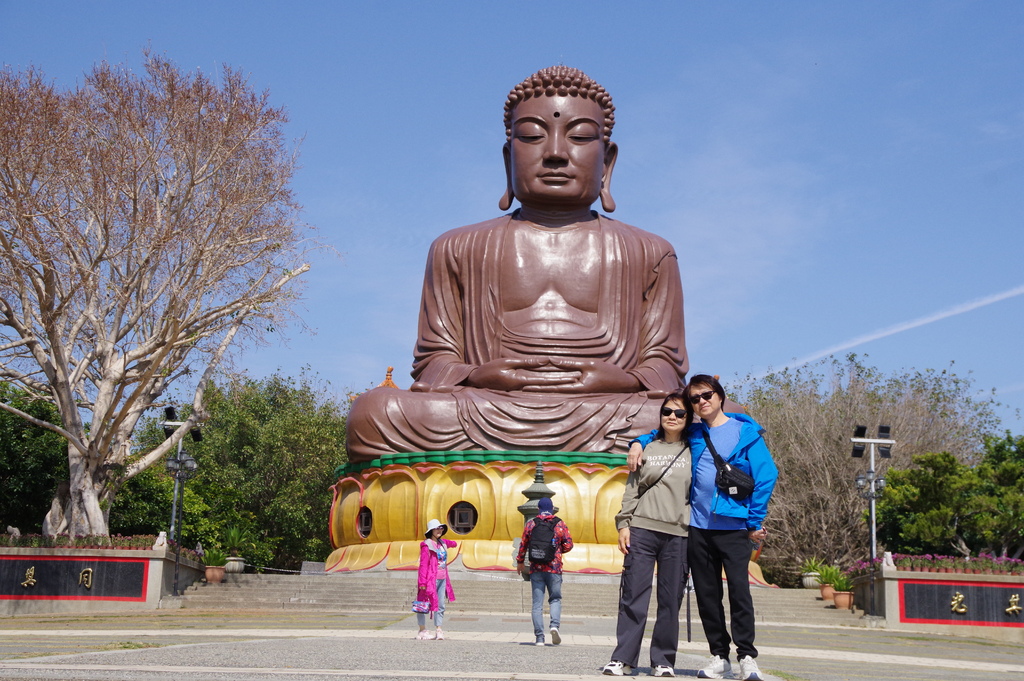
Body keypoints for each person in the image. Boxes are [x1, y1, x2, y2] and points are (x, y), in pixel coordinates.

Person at [346, 65, 687, 461]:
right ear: (509, 157)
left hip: (612, 410)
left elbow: (665, 365)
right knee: (376, 412)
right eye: (531, 136)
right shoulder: (458, 246)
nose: (556, 153)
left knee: (714, 422)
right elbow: (433, 361)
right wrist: (475, 374)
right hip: (485, 407)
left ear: (607, 162)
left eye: (578, 136)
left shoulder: (649, 251)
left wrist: (626, 380)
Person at [633, 375, 778, 680]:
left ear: (720, 396)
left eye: (707, 395)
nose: (702, 401)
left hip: (734, 526)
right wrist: (637, 443)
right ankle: (719, 655)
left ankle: (747, 656)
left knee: (739, 592)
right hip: (697, 526)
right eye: (695, 398)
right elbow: (662, 433)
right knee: (707, 594)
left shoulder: (745, 432)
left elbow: (767, 475)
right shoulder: (695, 433)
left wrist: (754, 520)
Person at [602, 390, 692, 678]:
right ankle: (623, 659)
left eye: (680, 413)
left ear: (689, 417)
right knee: (634, 594)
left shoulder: (697, 449)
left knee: (670, 598)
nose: (673, 417)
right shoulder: (646, 448)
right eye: (667, 412)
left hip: (679, 532)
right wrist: (623, 524)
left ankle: (663, 660)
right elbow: (632, 490)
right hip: (642, 529)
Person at [516, 497, 574, 646]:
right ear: (552, 508)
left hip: (536, 568)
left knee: (537, 604)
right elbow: (569, 544)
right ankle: (554, 626)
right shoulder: (559, 524)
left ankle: (539, 638)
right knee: (555, 599)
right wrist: (557, 550)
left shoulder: (532, 523)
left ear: (538, 509)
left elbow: (523, 544)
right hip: (554, 568)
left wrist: (520, 562)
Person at [416, 518, 458, 640]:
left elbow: (452, 543)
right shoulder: (426, 545)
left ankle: (439, 629)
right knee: (423, 603)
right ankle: (422, 629)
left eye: (441, 528)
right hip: (430, 579)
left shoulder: (442, 543)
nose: (439, 530)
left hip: (443, 578)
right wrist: (422, 582)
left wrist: (454, 544)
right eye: (437, 528)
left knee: (441, 604)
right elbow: (423, 564)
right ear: (431, 530)